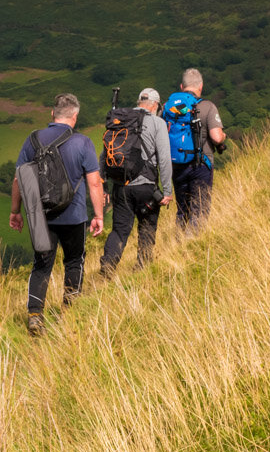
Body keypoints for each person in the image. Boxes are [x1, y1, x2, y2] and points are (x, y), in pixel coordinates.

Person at [9, 93, 104, 337]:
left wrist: (15, 211)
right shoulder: (83, 143)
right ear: (75, 116)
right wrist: (99, 216)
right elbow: (94, 183)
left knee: (41, 265)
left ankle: (35, 316)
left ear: (52, 114)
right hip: (74, 216)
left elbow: (19, 179)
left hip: (42, 217)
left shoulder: (33, 140)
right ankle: (69, 310)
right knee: (74, 261)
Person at [99, 87, 174, 276]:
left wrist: (104, 186)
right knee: (147, 228)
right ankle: (142, 270)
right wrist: (167, 191)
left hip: (121, 186)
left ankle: (108, 265)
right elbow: (164, 159)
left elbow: (104, 154)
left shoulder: (121, 121)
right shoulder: (157, 123)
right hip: (146, 187)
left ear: (139, 102)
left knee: (119, 230)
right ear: (155, 105)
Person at [170, 68, 226, 231]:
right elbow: (216, 137)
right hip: (201, 164)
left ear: (182, 86)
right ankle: (191, 245)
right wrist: (223, 137)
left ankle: (177, 247)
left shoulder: (171, 109)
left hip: (177, 165)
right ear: (201, 86)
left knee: (182, 211)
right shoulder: (208, 106)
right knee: (199, 210)